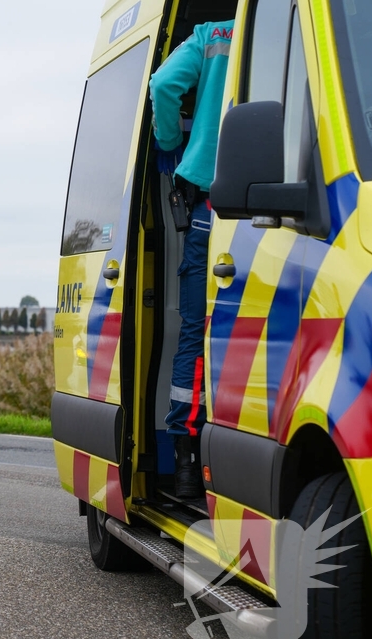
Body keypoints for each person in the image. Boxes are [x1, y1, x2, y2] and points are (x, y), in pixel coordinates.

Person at [149, 19, 234, 499]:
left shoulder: (214, 34)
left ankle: (186, 461)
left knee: (196, 335)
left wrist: (169, 143)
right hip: (288, 207)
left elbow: (163, 84)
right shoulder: (310, 21)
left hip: (212, 206)